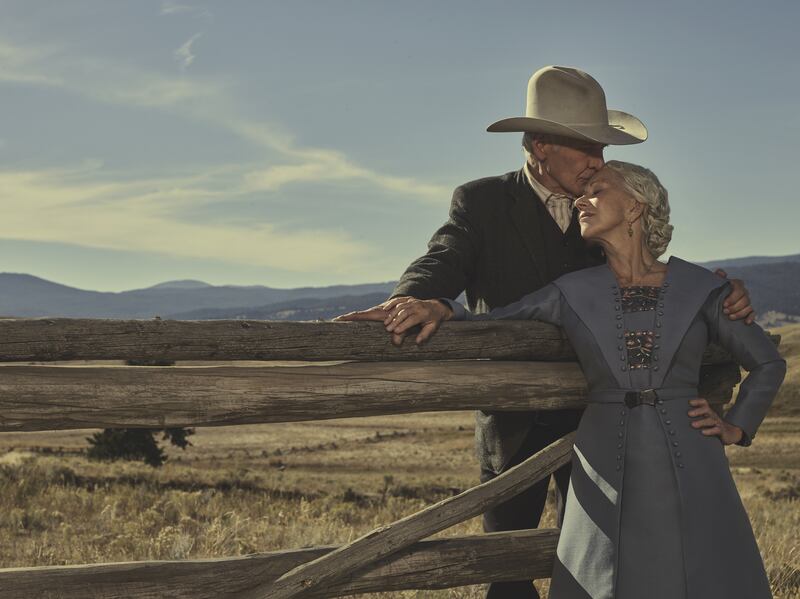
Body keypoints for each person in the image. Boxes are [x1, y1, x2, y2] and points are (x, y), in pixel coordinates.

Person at [334, 66, 754, 598]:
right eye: (583, 147)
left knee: (609, 556)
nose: (597, 160)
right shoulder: (482, 202)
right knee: (507, 564)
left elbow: (649, 272)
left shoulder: (605, 202)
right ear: (536, 145)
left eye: (600, 147)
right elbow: (446, 256)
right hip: (514, 419)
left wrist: (719, 291)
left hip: (605, 421)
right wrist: (413, 297)